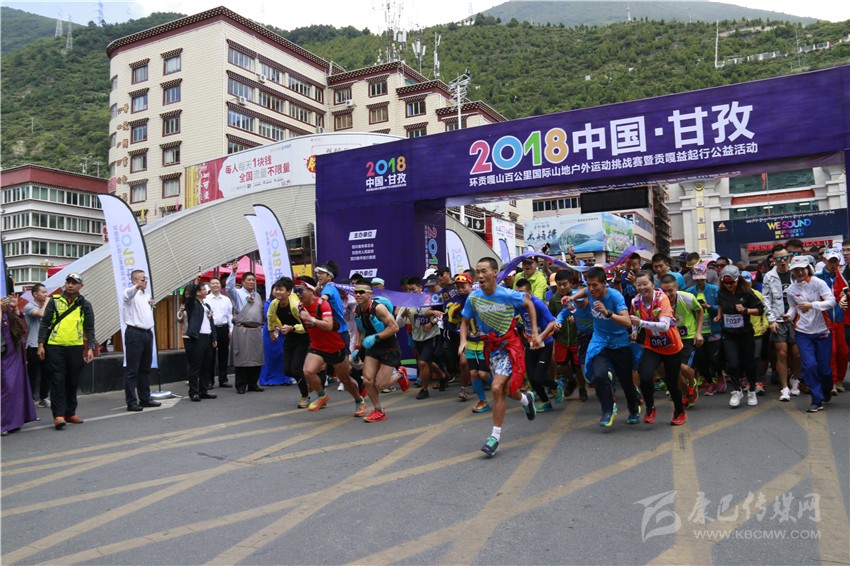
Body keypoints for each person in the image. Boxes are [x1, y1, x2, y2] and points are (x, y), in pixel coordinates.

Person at [460, 257, 540, 457]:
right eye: (478, 272)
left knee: (496, 388)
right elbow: (464, 321)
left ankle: (494, 437)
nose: (480, 276)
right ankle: (526, 400)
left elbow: (529, 304)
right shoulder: (473, 298)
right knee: (506, 390)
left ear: (495, 273)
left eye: (484, 271)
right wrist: (463, 340)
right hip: (491, 348)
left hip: (510, 346)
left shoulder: (507, 294)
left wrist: (535, 333)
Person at [563, 267, 641, 428]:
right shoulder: (590, 291)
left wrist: (607, 313)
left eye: (595, 285)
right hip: (599, 341)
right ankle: (607, 410)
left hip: (619, 342)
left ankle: (634, 409)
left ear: (604, 283)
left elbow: (627, 322)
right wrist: (572, 297)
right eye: (589, 284)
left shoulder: (615, 296)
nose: (591, 289)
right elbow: (584, 290)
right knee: (598, 375)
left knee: (626, 381)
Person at [296, 276, 366, 416]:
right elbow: (307, 328)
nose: (298, 294)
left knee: (345, 379)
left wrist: (311, 319)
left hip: (335, 347)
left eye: (301, 290)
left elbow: (328, 325)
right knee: (307, 372)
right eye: (296, 291)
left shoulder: (322, 304)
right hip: (317, 347)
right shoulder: (300, 307)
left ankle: (359, 400)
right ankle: (322, 395)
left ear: (311, 290)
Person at [37, 273, 96, 430]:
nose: (70, 285)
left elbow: (89, 327)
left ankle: (70, 413)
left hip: (75, 347)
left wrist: (90, 347)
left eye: (74, 283)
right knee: (57, 380)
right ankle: (58, 415)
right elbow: (45, 323)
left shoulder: (85, 304)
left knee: (73, 380)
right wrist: (41, 344)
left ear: (80, 286)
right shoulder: (55, 301)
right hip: (55, 347)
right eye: (68, 282)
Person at [629, 271, 687, 425]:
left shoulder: (662, 299)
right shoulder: (635, 301)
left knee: (671, 382)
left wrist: (641, 323)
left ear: (653, 284)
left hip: (672, 346)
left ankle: (679, 411)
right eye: (639, 285)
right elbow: (633, 318)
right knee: (645, 377)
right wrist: (634, 331)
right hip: (652, 346)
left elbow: (665, 326)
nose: (642, 288)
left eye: (645, 284)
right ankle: (650, 407)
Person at [785, 256, 835, 412]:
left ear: (808, 269)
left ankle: (826, 388)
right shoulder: (791, 289)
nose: (799, 272)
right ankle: (816, 399)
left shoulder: (818, 283)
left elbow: (831, 301)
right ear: (792, 272)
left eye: (802, 269)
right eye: (796, 270)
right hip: (803, 332)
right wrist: (788, 316)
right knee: (809, 365)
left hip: (822, 331)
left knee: (825, 369)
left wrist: (812, 305)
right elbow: (793, 308)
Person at [353, 279, 405, 422]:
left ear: (370, 294)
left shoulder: (379, 308)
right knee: (368, 380)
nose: (358, 295)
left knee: (381, 385)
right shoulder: (357, 310)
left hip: (389, 347)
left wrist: (376, 337)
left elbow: (394, 327)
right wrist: (357, 347)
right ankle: (378, 410)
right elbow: (360, 331)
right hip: (373, 348)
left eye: (361, 292)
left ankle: (400, 374)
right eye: (356, 292)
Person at [714, 265, 765, 408]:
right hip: (729, 334)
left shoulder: (746, 292)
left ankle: (752, 390)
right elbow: (720, 304)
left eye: (731, 282)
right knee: (732, 363)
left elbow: (760, 309)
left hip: (746, 334)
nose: (729, 285)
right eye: (726, 283)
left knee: (749, 363)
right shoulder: (721, 293)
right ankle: (737, 390)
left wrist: (746, 310)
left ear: (738, 280)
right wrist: (719, 315)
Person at [762, 244, 801, 401]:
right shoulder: (769, 276)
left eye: (785, 257)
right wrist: (771, 320)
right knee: (782, 353)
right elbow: (766, 300)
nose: (783, 261)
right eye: (779, 259)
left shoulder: (797, 272)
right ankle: (784, 388)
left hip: (797, 319)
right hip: (778, 319)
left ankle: (795, 380)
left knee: (797, 354)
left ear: (789, 257)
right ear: (773, 260)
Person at [659, 274, 704, 409]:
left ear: (676, 288)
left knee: (683, 367)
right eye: (664, 291)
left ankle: (692, 383)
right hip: (670, 338)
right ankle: (685, 394)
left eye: (670, 290)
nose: (668, 294)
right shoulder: (659, 301)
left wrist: (698, 332)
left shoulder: (687, 298)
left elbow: (700, 311)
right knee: (673, 370)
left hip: (687, 337)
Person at [515, 277, 559, 412]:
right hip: (530, 343)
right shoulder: (518, 303)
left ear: (529, 293)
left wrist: (540, 337)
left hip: (545, 343)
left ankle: (557, 386)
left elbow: (552, 322)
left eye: (522, 293)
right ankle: (546, 402)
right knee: (532, 378)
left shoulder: (538, 304)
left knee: (539, 376)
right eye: (517, 293)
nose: (520, 297)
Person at [267, 277, 311, 407]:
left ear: (288, 292)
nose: (278, 292)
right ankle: (308, 382)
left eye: (281, 290)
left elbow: (308, 325)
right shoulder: (274, 303)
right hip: (289, 339)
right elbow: (270, 316)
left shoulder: (296, 305)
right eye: (276, 289)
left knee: (296, 370)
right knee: (287, 370)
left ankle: (305, 396)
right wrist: (271, 330)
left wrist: (292, 328)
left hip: (303, 338)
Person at [122, 269, 161, 411]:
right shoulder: (129, 294)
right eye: (142, 279)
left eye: (146, 279)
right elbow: (129, 294)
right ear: (134, 280)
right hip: (134, 333)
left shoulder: (147, 295)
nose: (145, 281)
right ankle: (131, 402)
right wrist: (137, 287)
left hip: (147, 333)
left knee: (145, 368)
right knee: (132, 370)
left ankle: (145, 398)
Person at [549, 269, 588, 402]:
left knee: (578, 366)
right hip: (561, 337)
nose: (562, 287)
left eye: (564, 284)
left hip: (577, 338)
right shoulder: (554, 299)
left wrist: (576, 319)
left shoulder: (578, 296)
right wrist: (555, 324)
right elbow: (551, 317)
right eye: (559, 284)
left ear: (571, 283)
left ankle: (582, 388)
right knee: (562, 365)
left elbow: (585, 313)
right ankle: (571, 381)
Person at [2, 291, 38, 435]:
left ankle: (15, 421)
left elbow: (19, 328)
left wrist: (15, 309)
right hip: (4, 356)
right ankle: (3, 423)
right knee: (7, 387)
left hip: (14, 352)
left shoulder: (8, 311)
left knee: (17, 386)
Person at [226, 261, 265, 394]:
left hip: (256, 331)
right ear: (242, 282)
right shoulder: (237, 293)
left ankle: (253, 384)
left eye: (253, 280)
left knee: (256, 358)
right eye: (249, 280)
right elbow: (229, 288)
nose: (251, 282)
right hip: (243, 330)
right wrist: (233, 272)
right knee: (242, 359)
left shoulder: (257, 295)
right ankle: (241, 385)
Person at [685, 264, 723, 395]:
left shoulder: (714, 289)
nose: (700, 282)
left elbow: (722, 306)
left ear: (706, 277)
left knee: (715, 358)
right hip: (698, 331)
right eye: (697, 279)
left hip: (714, 329)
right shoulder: (689, 292)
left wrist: (709, 307)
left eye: (702, 279)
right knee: (701, 359)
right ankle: (709, 381)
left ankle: (719, 376)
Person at [818, 249, 848, 396]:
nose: (833, 264)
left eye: (835, 261)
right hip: (825, 322)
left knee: (843, 352)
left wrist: (845, 297)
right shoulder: (817, 278)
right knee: (831, 352)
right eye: (830, 261)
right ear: (824, 260)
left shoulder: (842, 276)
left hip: (841, 320)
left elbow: (847, 292)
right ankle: (832, 382)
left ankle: (840, 379)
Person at [183, 275, 217, 402]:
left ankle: (203, 390)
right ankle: (193, 392)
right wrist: (195, 283)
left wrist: (214, 338)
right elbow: (190, 297)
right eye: (203, 289)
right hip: (197, 338)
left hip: (207, 337)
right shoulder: (192, 304)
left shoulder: (206, 305)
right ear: (197, 292)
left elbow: (211, 322)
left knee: (206, 366)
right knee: (195, 366)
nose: (206, 291)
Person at [24, 283, 50, 407]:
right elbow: (40, 314)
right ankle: (29, 400)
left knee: (46, 372)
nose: (46, 294)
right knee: (32, 374)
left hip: (46, 344)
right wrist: (47, 303)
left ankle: (43, 397)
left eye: (46, 292)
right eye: (43, 292)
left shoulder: (46, 306)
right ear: (35, 294)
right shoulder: (29, 306)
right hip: (33, 345)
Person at [204, 277, 233, 388]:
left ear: (220, 285)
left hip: (224, 328)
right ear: (209, 286)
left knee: (223, 355)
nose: (215, 285)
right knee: (210, 356)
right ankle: (209, 380)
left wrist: (231, 330)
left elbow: (230, 316)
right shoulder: (206, 299)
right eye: (213, 283)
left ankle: (223, 379)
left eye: (217, 283)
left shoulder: (226, 299)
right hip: (211, 329)